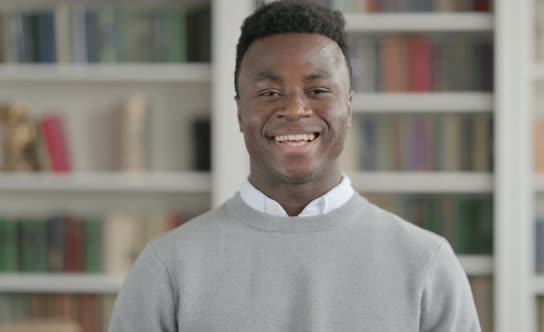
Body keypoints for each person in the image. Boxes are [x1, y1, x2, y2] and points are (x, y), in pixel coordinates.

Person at [109, 1, 482, 331]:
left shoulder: (426, 263)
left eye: (318, 90)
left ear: (348, 108)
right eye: (269, 93)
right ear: (240, 112)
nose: (293, 109)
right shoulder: (168, 265)